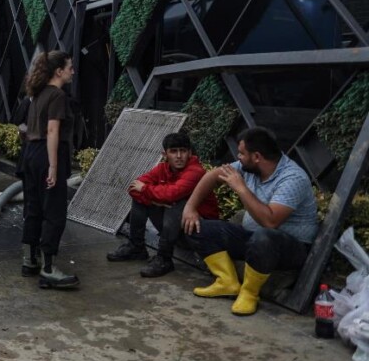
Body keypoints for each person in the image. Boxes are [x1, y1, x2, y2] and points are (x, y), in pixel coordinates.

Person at [182, 127, 318, 316]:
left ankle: (249, 293)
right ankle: (227, 281)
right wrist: (190, 208)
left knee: (264, 237)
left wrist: (241, 188)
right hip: (252, 238)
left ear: (257, 157)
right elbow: (212, 176)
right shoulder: (248, 167)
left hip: (288, 248)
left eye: (241, 153)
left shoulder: (293, 178)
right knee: (196, 228)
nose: (238, 157)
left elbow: (270, 222)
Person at [106, 132, 220, 277]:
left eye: (183, 151)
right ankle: (137, 247)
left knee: (179, 202)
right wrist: (156, 198)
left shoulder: (196, 171)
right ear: (165, 154)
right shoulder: (162, 169)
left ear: (190, 153)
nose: (179, 156)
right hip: (175, 230)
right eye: (173, 151)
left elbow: (172, 194)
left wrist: (150, 192)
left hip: (198, 233)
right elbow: (134, 188)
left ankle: (164, 258)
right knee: (140, 199)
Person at [17, 50, 79, 289]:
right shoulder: (57, 96)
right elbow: (52, 131)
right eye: (70, 67)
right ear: (59, 71)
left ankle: (29, 260)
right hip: (47, 155)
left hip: (30, 154)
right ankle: (49, 268)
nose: (72, 71)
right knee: (54, 211)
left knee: (33, 208)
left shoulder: (38, 93)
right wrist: (54, 166)